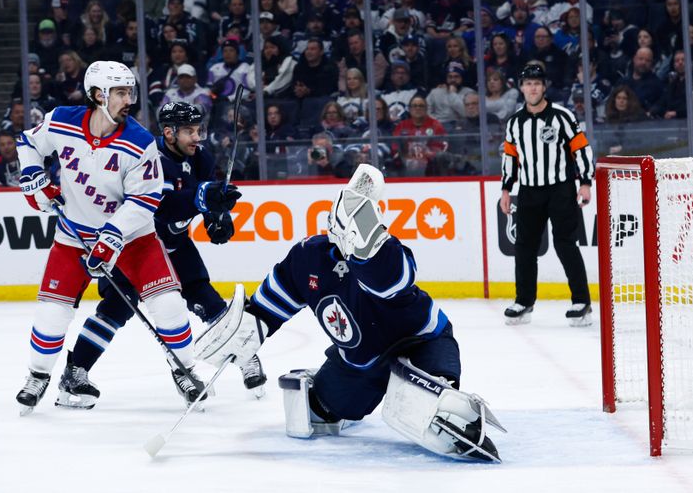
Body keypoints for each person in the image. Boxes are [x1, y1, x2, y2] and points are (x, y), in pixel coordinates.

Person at [195, 164, 505, 462]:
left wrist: (367, 247)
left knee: (437, 405)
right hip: (360, 363)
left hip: (423, 341)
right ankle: (334, 395)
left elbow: (387, 281)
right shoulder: (307, 259)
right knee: (318, 410)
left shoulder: (389, 254)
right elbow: (267, 307)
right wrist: (247, 330)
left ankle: (438, 396)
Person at [13, 61, 233, 414]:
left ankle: (185, 370)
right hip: (73, 236)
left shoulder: (140, 141)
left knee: (170, 306)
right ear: (98, 94)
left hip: (135, 239)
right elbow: (27, 143)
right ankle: (39, 376)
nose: (128, 99)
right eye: (120, 92)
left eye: (130, 91)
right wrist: (33, 175)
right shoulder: (61, 120)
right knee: (52, 314)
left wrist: (113, 237)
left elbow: (145, 200)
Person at [62, 102, 264, 408]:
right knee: (117, 307)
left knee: (206, 299)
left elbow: (204, 196)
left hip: (175, 244)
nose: (196, 137)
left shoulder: (201, 157)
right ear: (169, 133)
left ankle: (245, 356)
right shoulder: (149, 158)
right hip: (136, 247)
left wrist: (218, 219)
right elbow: (165, 205)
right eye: (188, 131)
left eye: (198, 130)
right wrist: (204, 199)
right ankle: (75, 371)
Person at [499, 64, 594, 327]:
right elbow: (510, 158)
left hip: (560, 189)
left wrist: (585, 182)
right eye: (528, 83)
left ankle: (581, 302)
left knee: (565, 244)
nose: (532, 88)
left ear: (544, 87)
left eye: (537, 83)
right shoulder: (515, 123)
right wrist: (506, 189)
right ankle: (524, 301)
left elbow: (582, 150)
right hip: (528, 191)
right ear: (521, 87)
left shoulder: (562, 116)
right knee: (525, 247)